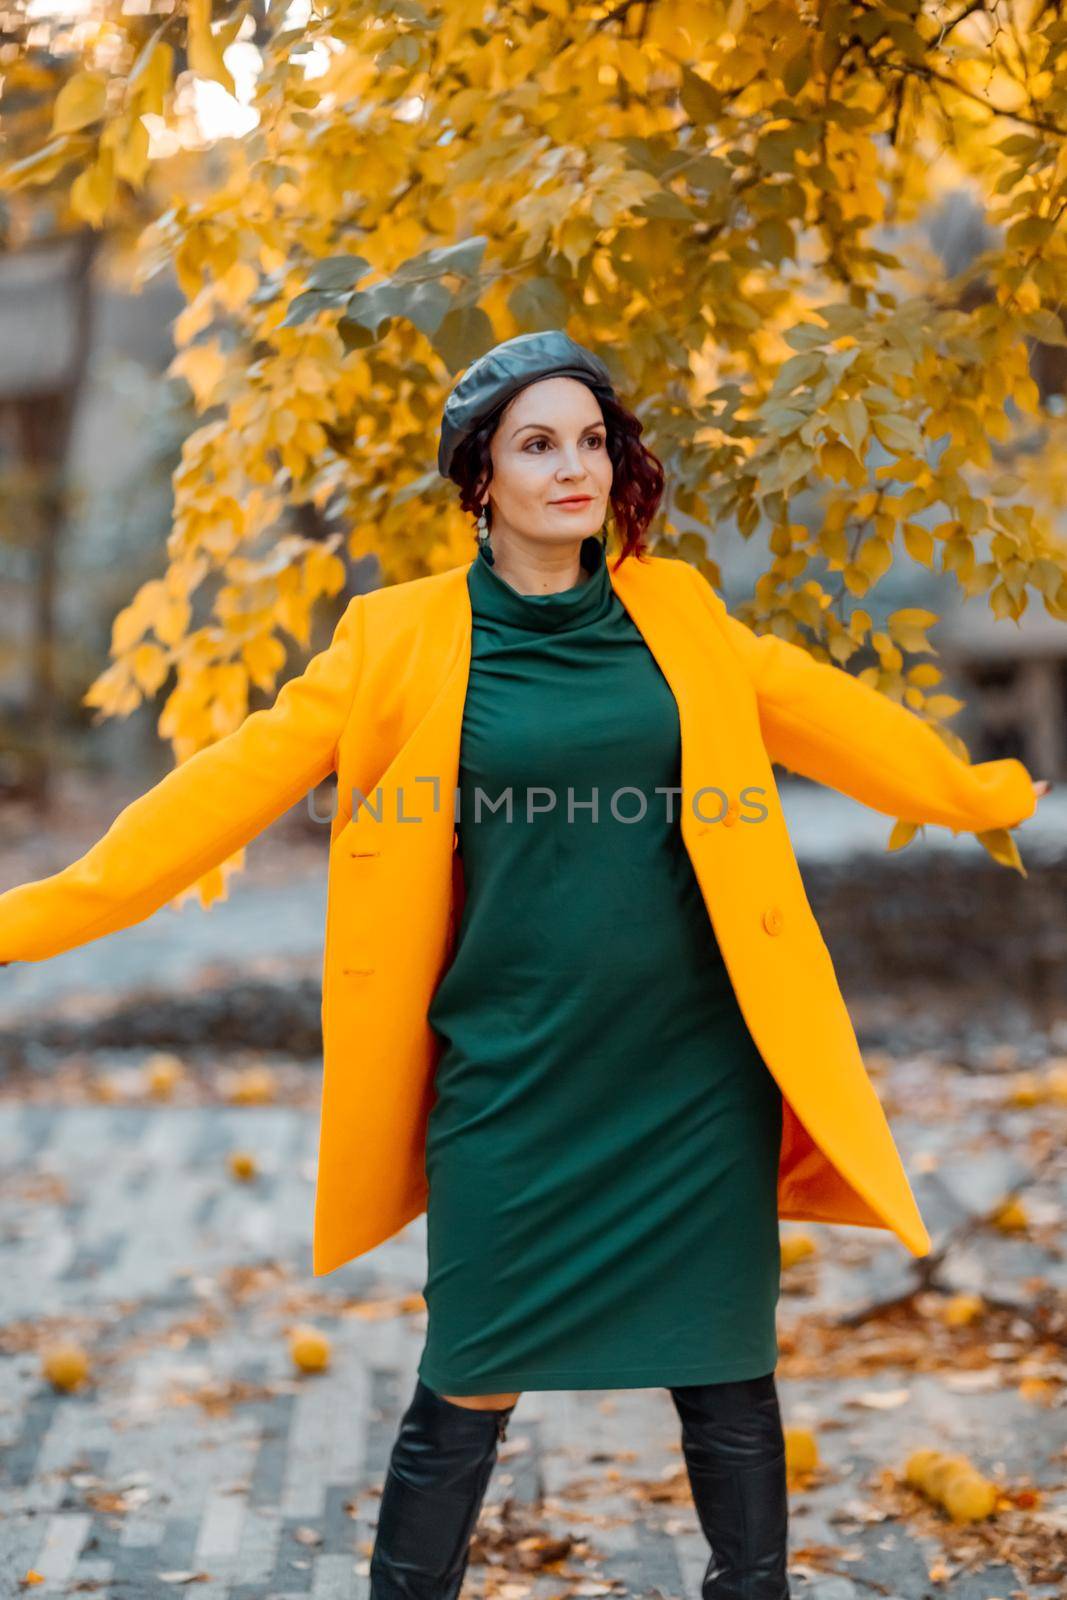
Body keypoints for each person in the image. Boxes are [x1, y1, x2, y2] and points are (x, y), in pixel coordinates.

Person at [0, 331, 1050, 1600]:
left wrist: (976, 791)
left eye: (591, 441)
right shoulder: (397, 641)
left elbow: (825, 711)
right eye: (536, 444)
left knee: (725, 1370)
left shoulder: (676, 613)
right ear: (479, 479)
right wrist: (40, 914)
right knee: (469, 1372)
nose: (573, 468)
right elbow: (216, 795)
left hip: (690, 1075)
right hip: (508, 1076)